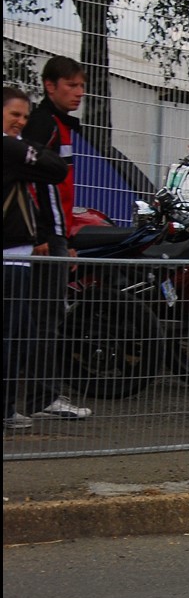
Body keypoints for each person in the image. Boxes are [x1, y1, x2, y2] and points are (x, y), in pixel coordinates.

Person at [23, 57, 92, 420]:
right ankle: (41, 398)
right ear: (50, 86)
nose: (79, 92)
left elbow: (59, 190)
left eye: (81, 86)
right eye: (71, 85)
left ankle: (37, 397)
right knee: (43, 317)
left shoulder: (58, 126)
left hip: (56, 234)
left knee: (44, 316)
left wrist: (67, 236)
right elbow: (32, 182)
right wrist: (43, 234)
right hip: (45, 237)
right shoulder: (43, 124)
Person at [4, 87, 70, 430]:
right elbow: (57, 167)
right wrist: (32, 145)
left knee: (23, 333)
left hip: (17, 255)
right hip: (10, 259)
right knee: (14, 335)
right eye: (15, 114)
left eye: (25, 116)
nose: (21, 122)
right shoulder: (8, 147)